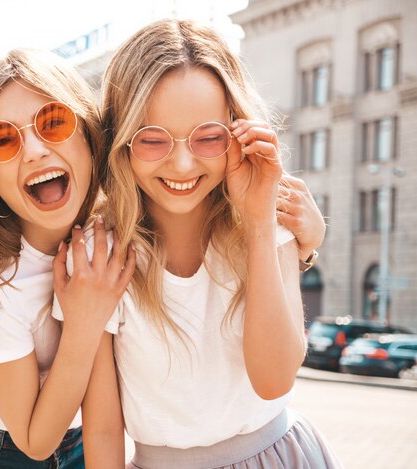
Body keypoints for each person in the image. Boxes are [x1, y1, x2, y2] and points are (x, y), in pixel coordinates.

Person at [56, 19, 341, 468]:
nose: (183, 163)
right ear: (121, 142)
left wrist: (259, 222)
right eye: (153, 140)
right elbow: (104, 428)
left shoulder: (271, 215)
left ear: (237, 128)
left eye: (208, 137)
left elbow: (274, 379)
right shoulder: (100, 257)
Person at [0, 48, 135, 469]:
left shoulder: (107, 235)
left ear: (89, 133)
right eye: (3, 139)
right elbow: (35, 440)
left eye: (54, 122)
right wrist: (84, 322)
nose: (35, 150)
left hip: (77, 440)